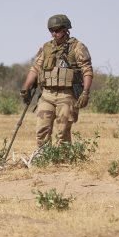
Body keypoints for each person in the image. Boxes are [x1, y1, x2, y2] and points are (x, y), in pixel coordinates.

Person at [20, 14, 93, 147]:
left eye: (57, 30)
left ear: (66, 29)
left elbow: (87, 70)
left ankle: (62, 160)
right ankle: (44, 158)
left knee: (63, 131)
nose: (54, 33)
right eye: (51, 31)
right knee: (42, 130)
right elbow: (35, 69)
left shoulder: (77, 47)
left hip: (67, 94)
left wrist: (85, 92)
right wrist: (26, 87)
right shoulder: (46, 47)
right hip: (47, 94)